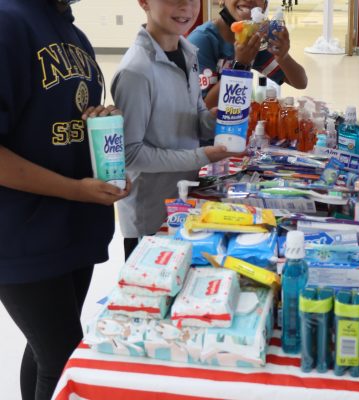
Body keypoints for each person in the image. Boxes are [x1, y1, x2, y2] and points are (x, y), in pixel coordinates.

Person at [0, 1, 131, 399]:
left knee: (46, 351)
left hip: (72, 229)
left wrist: (100, 129)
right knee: (62, 356)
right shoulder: (8, 21)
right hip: (23, 234)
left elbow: (58, 124)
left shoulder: (77, 37)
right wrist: (76, 189)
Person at [112, 0, 241, 259]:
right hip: (151, 217)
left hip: (183, 202)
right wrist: (201, 156)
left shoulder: (188, 52)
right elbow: (130, 154)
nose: (186, 7)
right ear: (144, 2)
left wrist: (215, 120)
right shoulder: (136, 71)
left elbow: (196, 113)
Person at [188, 0, 308, 108]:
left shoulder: (253, 40)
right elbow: (204, 107)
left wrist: (283, 56)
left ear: (265, 4)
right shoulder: (202, 40)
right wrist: (240, 65)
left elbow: (300, 82)